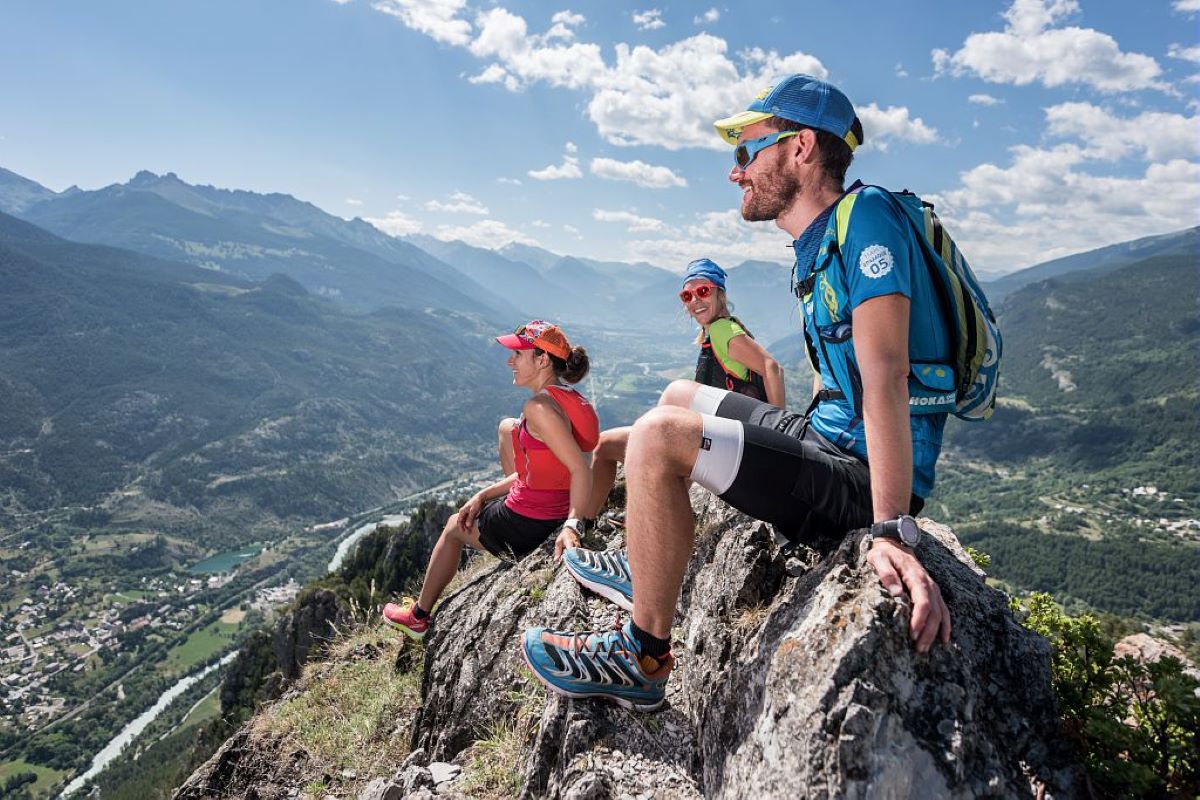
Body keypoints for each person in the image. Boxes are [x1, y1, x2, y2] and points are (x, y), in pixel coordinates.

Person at [523, 74, 953, 711]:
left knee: (656, 437)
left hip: (861, 479)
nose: (735, 173)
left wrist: (891, 530)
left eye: (746, 153)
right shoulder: (826, 234)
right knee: (675, 396)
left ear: (800, 148)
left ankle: (643, 655)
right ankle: (647, 568)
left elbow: (887, 373)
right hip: (826, 439)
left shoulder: (869, 220)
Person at [383, 320, 598, 640]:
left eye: (518, 354)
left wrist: (572, 525)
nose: (510, 360)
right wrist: (484, 494)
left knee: (455, 526)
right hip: (555, 507)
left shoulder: (538, 407)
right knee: (507, 427)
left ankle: (418, 617)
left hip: (531, 522)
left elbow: (580, 469)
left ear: (541, 361)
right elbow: (549, 470)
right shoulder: (567, 397)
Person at [579, 257, 785, 523]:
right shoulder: (716, 332)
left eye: (703, 291)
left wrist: (780, 434)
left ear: (719, 293)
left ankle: (589, 522)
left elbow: (772, 367)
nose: (695, 301)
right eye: (687, 295)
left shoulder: (723, 330)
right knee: (616, 442)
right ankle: (654, 514)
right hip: (722, 439)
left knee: (605, 445)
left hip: (727, 443)